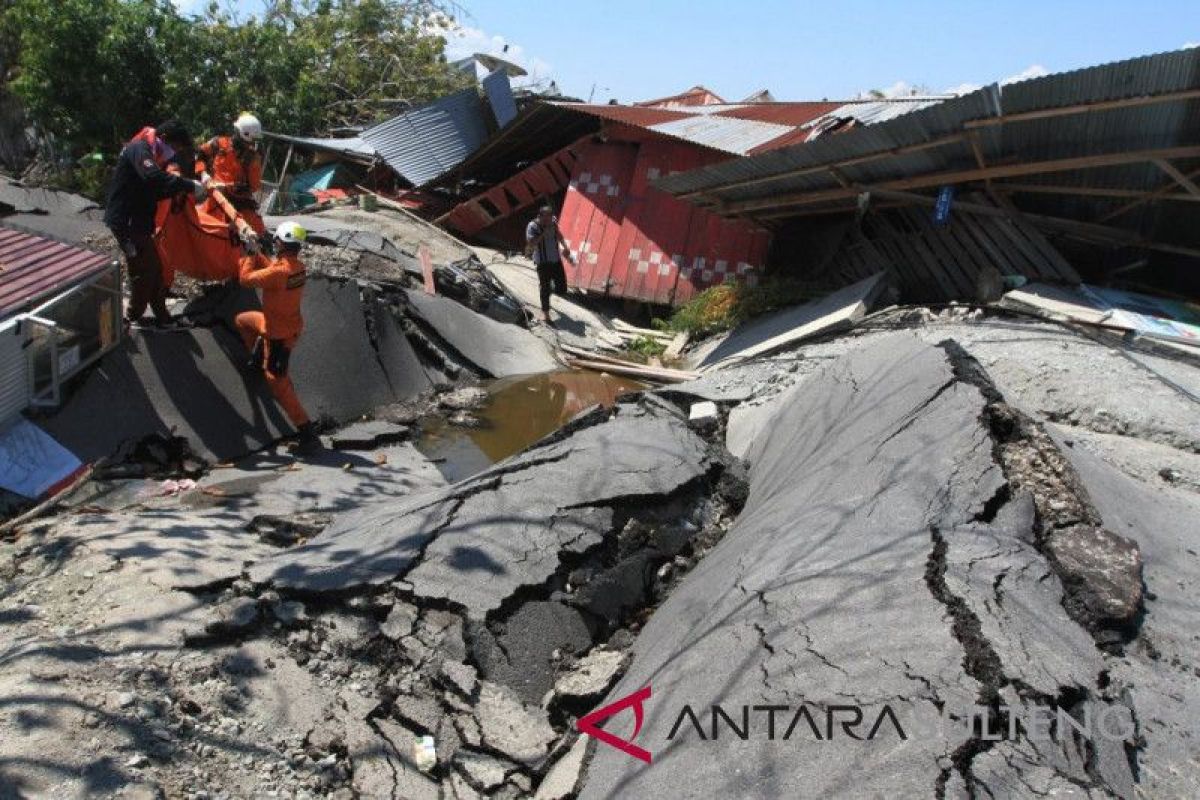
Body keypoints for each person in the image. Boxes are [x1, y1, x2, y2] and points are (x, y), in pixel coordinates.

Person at [104, 120, 207, 330]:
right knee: (145, 270)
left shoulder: (151, 152)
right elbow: (152, 178)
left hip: (137, 220)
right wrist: (188, 185)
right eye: (176, 147)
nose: (174, 153)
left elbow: (155, 189)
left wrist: (182, 188)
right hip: (127, 221)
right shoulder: (139, 149)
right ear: (166, 139)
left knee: (153, 269)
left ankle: (161, 317)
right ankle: (133, 317)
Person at [235, 220, 321, 456]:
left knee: (278, 384)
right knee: (243, 320)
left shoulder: (279, 272)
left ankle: (308, 433)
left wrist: (250, 254)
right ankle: (257, 357)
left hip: (278, 336)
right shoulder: (297, 267)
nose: (274, 242)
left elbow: (246, 279)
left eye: (276, 240)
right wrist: (260, 252)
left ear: (282, 243)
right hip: (284, 325)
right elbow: (271, 271)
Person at [195, 112, 266, 235]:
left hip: (240, 203)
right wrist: (202, 173)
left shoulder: (253, 157)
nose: (251, 144)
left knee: (259, 234)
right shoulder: (218, 143)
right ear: (240, 133)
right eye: (249, 141)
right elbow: (199, 155)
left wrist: (228, 186)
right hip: (215, 198)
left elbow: (253, 187)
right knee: (198, 225)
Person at [525, 204, 575, 323]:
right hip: (543, 262)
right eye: (545, 219)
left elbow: (558, 233)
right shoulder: (533, 226)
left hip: (556, 260)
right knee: (545, 288)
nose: (548, 221)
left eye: (549, 218)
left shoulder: (553, 222)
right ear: (539, 216)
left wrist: (565, 247)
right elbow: (532, 243)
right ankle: (546, 314)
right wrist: (544, 232)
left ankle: (549, 290)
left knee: (562, 289)